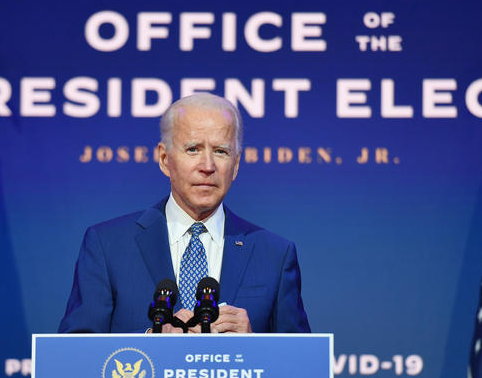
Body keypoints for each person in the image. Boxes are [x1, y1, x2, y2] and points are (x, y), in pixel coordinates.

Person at [58, 93, 310, 334]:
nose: (208, 166)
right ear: (165, 159)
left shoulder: (275, 255)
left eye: (221, 151)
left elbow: (301, 367)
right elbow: (74, 353)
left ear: (235, 165)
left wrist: (254, 344)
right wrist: (150, 339)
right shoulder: (107, 245)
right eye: (193, 149)